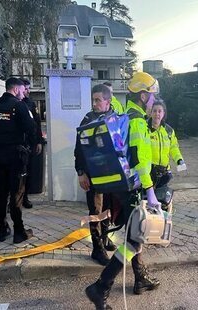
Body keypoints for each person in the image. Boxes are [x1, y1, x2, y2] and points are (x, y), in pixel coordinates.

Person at [86, 72, 161, 309]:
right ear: (143, 95)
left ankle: (135, 279)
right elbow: (138, 159)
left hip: (127, 187)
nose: (153, 100)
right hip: (134, 188)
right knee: (134, 241)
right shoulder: (137, 121)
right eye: (152, 95)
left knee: (135, 239)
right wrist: (150, 192)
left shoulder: (127, 116)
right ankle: (100, 287)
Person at [0, 77, 35, 244]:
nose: (24, 92)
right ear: (16, 89)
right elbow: (30, 127)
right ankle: (19, 231)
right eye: (22, 90)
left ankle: (2, 228)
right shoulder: (19, 106)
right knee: (17, 192)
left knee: (2, 191)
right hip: (16, 154)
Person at [74, 84, 117, 266]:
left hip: (111, 174)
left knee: (108, 208)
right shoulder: (88, 120)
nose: (95, 103)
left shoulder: (115, 118)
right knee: (95, 211)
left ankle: (105, 238)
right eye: (93, 100)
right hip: (93, 175)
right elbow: (79, 150)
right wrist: (81, 173)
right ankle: (97, 249)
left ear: (108, 101)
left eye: (98, 100)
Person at [148, 99, 186, 194]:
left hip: (164, 172)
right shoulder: (144, 129)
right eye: (155, 111)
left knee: (163, 201)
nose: (157, 114)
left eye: (160, 111)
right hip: (148, 172)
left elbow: (173, 148)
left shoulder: (169, 131)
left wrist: (179, 160)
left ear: (163, 113)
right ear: (151, 112)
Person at [20, 78, 44, 208]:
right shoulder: (15, 102)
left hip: (30, 143)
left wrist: (39, 141)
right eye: (26, 88)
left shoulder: (30, 103)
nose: (28, 91)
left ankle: (25, 197)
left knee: (28, 171)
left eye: (29, 88)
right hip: (18, 144)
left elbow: (37, 123)